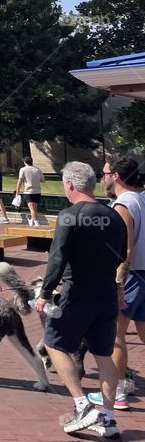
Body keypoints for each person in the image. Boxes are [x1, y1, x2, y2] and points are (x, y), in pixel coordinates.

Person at [37, 161, 126, 438]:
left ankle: (81, 403)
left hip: (76, 292)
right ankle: (108, 420)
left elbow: (57, 258)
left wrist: (44, 293)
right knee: (103, 355)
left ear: (70, 185)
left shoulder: (69, 216)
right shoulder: (114, 216)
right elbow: (121, 255)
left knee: (54, 343)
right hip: (106, 293)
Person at [87, 154, 145, 412]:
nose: (102, 178)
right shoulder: (143, 199)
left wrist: (118, 283)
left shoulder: (122, 205)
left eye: (105, 173)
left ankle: (117, 393)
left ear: (116, 177)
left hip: (130, 276)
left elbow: (124, 251)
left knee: (116, 337)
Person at [16, 156, 44, 226]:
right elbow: (43, 180)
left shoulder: (23, 169)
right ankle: (32, 220)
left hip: (29, 191)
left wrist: (17, 191)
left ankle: (36, 222)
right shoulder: (37, 170)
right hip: (37, 191)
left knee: (32, 208)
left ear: (25, 162)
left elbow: (20, 181)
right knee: (34, 208)